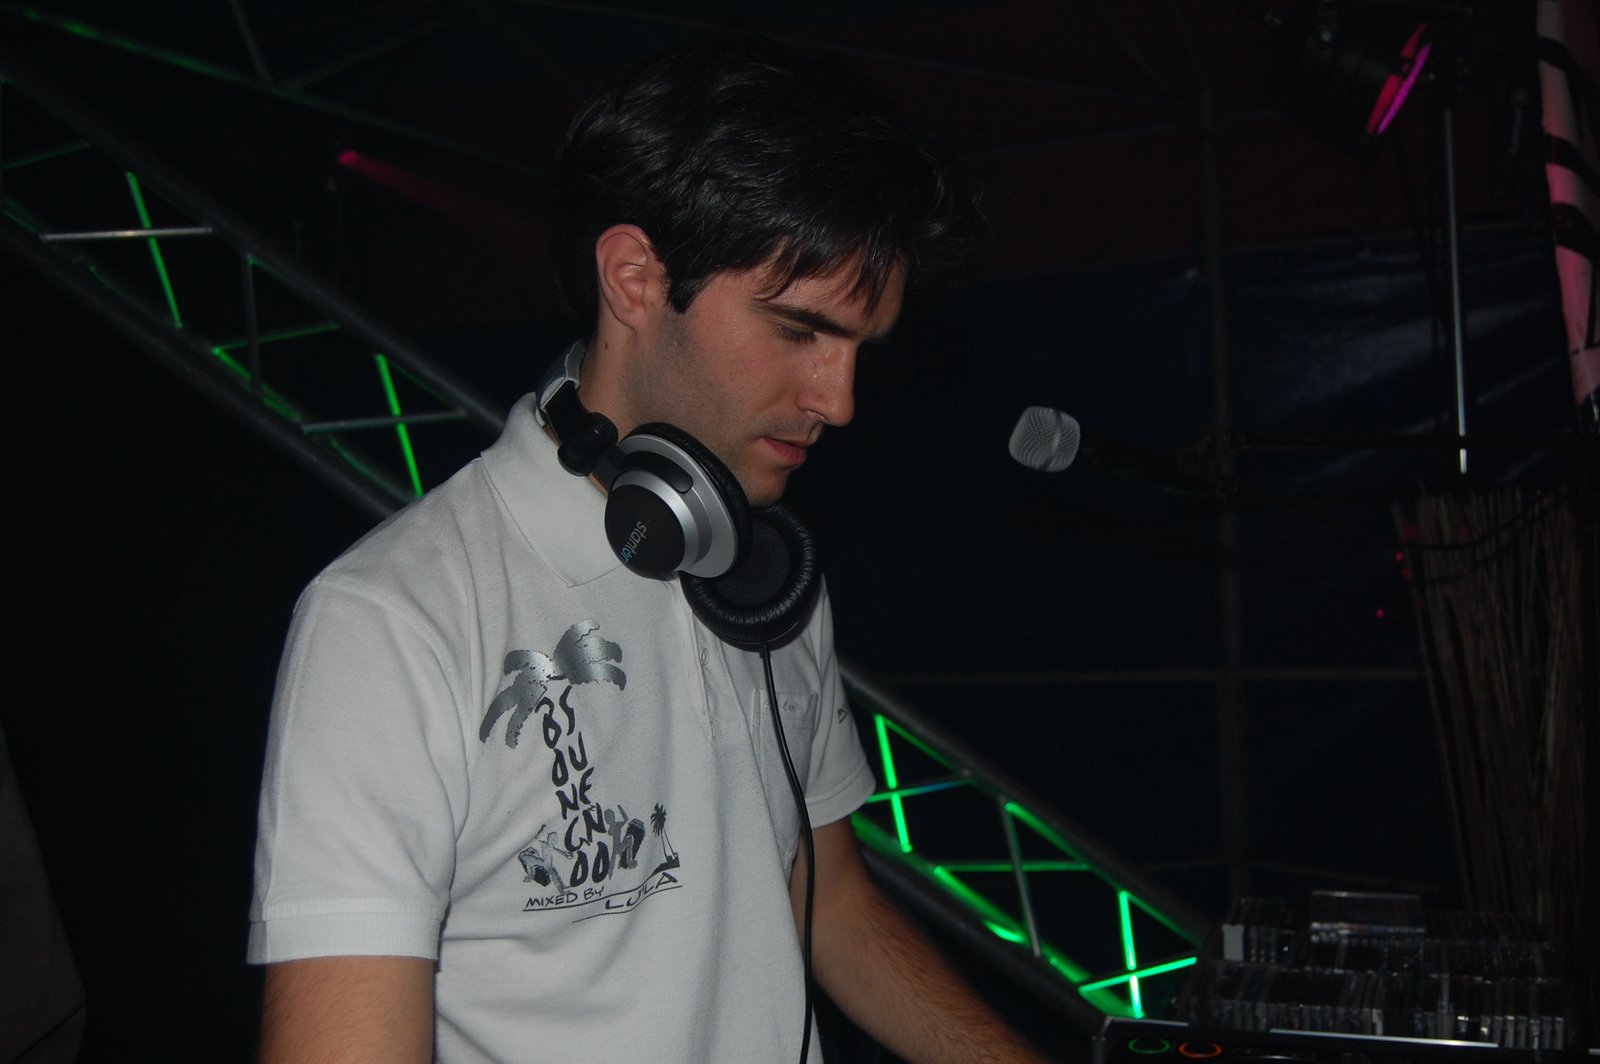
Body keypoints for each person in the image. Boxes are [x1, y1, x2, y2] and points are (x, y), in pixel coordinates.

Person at [249, 36, 1047, 1063]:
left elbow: (827, 894)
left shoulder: (763, 576)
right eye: (799, 331)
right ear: (632, 277)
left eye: (860, 348)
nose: (839, 399)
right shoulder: (393, 622)